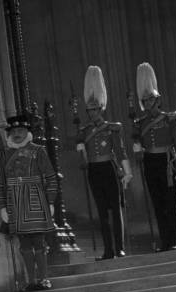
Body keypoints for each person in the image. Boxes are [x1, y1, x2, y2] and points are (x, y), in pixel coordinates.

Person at [77, 66, 132, 260]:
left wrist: (127, 172)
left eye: (94, 109)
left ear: (101, 108)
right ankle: (108, 249)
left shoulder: (111, 128)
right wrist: (81, 154)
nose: (91, 113)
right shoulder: (84, 131)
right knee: (102, 211)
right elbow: (82, 154)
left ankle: (120, 248)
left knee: (115, 210)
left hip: (109, 168)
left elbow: (121, 151)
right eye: (89, 110)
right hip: (94, 169)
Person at [0, 115, 56, 291]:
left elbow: (51, 178)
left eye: (20, 130)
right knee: (24, 245)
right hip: (14, 203)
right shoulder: (5, 155)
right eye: (13, 131)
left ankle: (44, 279)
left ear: (27, 132)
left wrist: (50, 201)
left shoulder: (38, 151)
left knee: (39, 241)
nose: (17, 134)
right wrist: (2, 207)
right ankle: (31, 280)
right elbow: (0, 183)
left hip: (36, 200)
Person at [133, 62, 176, 251]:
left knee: (171, 203)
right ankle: (165, 241)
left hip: (167, 162)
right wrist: (137, 148)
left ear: (158, 100)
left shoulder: (169, 118)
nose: (148, 104)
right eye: (145, 101)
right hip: (150, 162)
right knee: (157, 203)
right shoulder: (139, 123)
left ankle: (174, 240)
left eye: (151, 100)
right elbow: (138, 145)